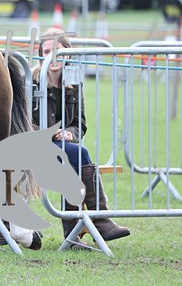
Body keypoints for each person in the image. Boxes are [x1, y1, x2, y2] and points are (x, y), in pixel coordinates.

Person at [32, 27, 130, 247]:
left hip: (61, 148)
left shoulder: (73, 82)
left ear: (68, 52)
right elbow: (20, 121)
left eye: (57, 50)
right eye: (47, 51)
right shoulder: (30, 80)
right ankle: (99, 219)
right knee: (80, 154)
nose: (52, 56)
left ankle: (74, 233)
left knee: (74, 159)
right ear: (40, 54)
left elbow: (80, 124)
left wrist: (69, 133)